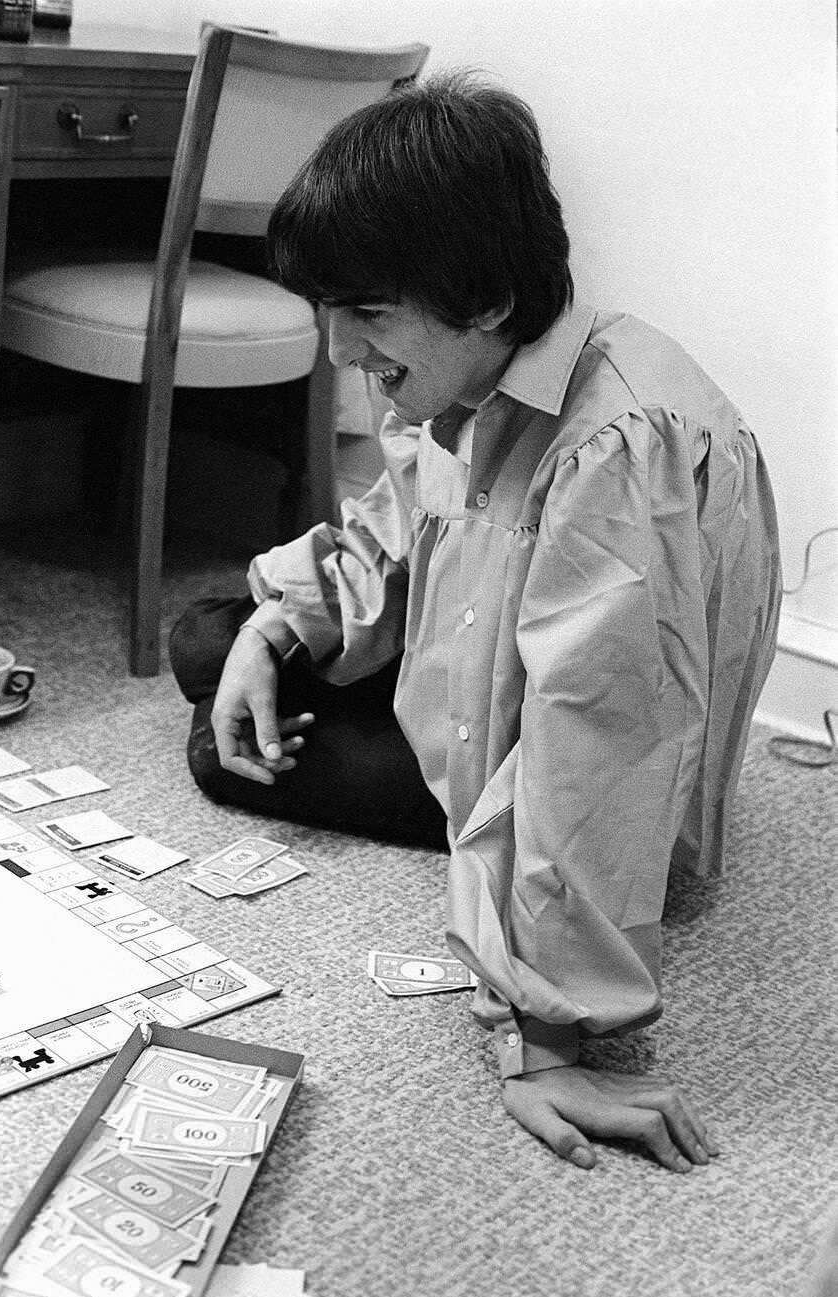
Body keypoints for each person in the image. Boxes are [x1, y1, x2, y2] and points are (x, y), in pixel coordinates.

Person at [170, 71, 782, 1173]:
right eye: (328, 312)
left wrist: (547, 1036)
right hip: (474, 664)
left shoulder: (614, 448)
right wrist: (277, 628)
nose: (339, 349)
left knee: (218, 758)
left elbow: (597, 744)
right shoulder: (482, 370)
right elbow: (392, 525)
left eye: (364, 313)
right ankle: (267, 654)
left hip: (536, 759)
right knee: (216, 639)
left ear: (484, 300)